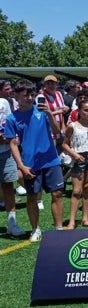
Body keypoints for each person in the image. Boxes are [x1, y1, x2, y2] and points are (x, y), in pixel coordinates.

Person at [5, 79, 65, 242]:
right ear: (16, 96)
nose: (30, 98)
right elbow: (12, 143)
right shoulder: (12, 118)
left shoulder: (42, 112)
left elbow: (57, 132)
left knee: (58, 193)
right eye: (25, 95)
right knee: (32, 197)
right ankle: (35, 229)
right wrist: (21, 166)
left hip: (51, 160)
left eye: (32, 94)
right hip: (30, 164)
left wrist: (50, 114)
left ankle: (59, 228)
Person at [60, 100, 88, 229]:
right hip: (79, 157)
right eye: (86, 110)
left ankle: (85, 219)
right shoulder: (73, 126)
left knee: (87, 189)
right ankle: (72, 221)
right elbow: (64, 144)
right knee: (76, 191)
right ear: (79, 111)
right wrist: (74, 154)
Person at [0, 90, 25, 237]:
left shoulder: (3, 102)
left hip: (5, 151)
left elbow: (9, 125)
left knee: (8, 187)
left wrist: (7, 137)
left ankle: (11, 223)